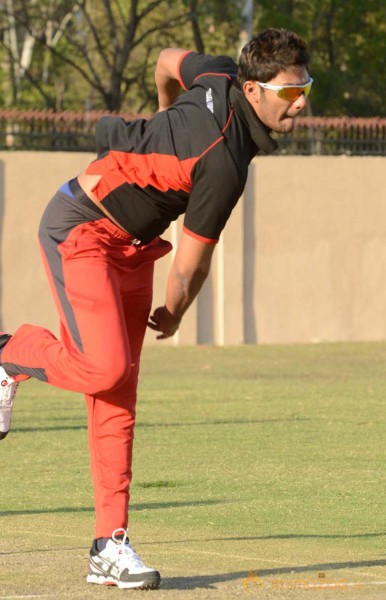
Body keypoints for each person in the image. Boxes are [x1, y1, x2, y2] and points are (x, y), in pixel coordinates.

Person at [0, 28, 312, 590]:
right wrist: (173, 313)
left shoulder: (215, 71)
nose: (303, 101)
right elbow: (190, 268)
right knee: (104, 368)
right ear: (253, 90)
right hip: (81, 227)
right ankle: (10, 353)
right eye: (290, 93)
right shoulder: (224, 162)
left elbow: (167, 60)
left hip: (133, 246)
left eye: (306, 87)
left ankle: (108, 546)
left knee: (117, 398)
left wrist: (164, 121)